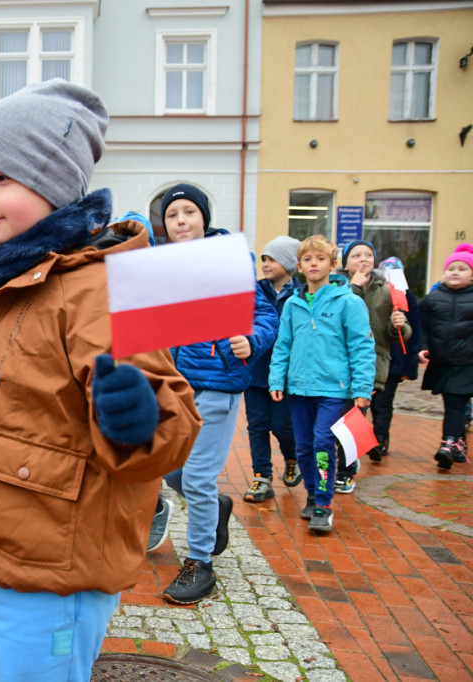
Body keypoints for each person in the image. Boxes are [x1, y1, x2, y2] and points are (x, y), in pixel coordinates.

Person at [0, 80, 201, 681]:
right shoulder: (2, 280)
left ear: (53, 185)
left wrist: (137, 421)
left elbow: (170, 422)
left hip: (49, 580)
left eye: (3, 180)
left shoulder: (105, 284)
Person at [146, 184, 278, 605]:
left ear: (203, 217)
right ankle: (215, 507)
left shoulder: (231, 261)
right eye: (172, 215)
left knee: (198, 477)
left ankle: (200, 562)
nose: (181, 220)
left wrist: (250, 340)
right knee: (169, 471)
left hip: (218, 383)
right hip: (173, 385)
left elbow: (265, 315)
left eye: (189, 212)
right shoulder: (162, 265)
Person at [268, 235, 375, 533]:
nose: (313, 264)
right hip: (299, 389)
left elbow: (362, 347)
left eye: (320, 258)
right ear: (299, 266)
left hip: (333, 389)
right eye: (307, 259)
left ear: (332, 264)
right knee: (303, 447)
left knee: (323, 443)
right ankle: (313, 496)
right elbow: (282, 345)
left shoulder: (349, 303)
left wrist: (362, 389)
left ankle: (324, 505)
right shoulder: (292, 304)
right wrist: (277, 378)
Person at [334, 240, 409, 491]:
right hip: (336, 364)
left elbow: (396, 332)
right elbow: (333, 318)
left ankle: (345, 470)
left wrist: (399, 325)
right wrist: (353, 288)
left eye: (368, 254)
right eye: (356, 255)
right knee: (333, 422)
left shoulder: (387, 290)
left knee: (353, 418)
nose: (363, 259)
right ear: (345, 262)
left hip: (370, 364)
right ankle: (348, 458)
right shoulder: (335, 286)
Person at [242, 236, 303, 503]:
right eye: (263, 259)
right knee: (257, 426)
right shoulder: (254, 291)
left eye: (272, 259)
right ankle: (262, 477)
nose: (265, 264)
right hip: (255, 371)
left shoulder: (301, 294)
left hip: (287, 376)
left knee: (283, 427)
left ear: (289, 263)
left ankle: (292, 457)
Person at [418, 244, 473, 468]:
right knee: (453, 403)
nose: (456, 272)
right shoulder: (433, 298)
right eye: (452, 268)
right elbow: (422, 327)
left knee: (455, 403)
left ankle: (448, 444)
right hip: (442, 362)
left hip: (467, 362)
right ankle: (459, 444)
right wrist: (422, 347)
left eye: (462, 268)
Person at [370, 257, 420, 460]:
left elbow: (414, 333)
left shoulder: (408, 299)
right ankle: (373, 436)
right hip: (373, 359)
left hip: (393, 361)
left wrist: (409, 366)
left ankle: (380, 438)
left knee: (384, 402)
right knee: (372, 402)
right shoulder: (376, 296)